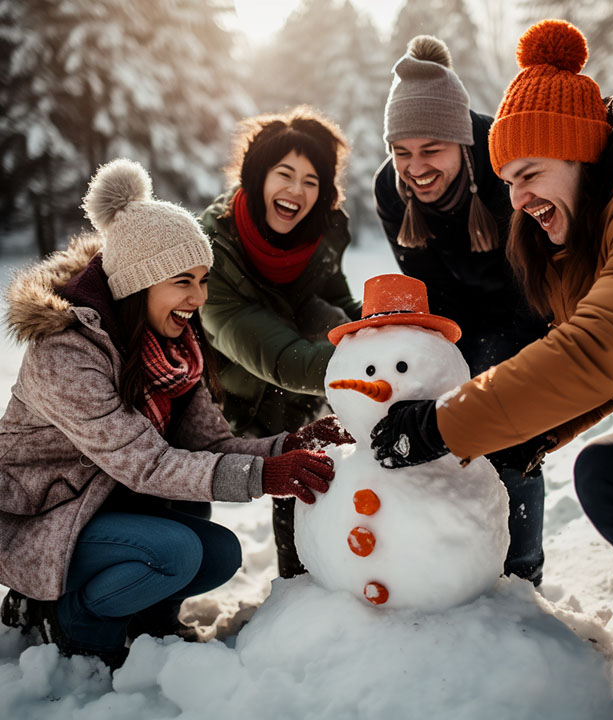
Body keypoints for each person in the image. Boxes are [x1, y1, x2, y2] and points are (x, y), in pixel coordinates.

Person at [370, 19, 613, 697]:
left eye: (530, 173)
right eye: (508, 180)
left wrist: (440, 426)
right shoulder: (589, 223)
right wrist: (544, 430)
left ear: (580, 156)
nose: (519, 198)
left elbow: (596, 350)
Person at [0, 158, 336, 669]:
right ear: (139, 283)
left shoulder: (171, 348)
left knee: (220, 553)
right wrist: (265, 476)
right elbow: (148, 465)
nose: (198, 298)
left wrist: (285, 447)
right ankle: (69, 621)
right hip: (46, 522)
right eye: (184, 281)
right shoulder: (65, 355)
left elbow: (209, 446)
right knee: (176, 552)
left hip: (107, 504)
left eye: (203, 280)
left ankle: (144, 622)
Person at [373, 35, 549, 585]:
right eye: (402, 151)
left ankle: (522, 571)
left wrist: (487, 376)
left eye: (431, 150)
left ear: (462, 142)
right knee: (428, 409)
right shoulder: (390, 188)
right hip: (459, 322)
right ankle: (447, 562)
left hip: (531, 314)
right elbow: (426, 287)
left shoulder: (507, 174)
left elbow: (536, 285)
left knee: (504, 425)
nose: (415, 167)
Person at [199, 107, 361, 579]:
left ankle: (303, 581)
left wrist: (378, 330)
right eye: (284, 174)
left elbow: (336, 298)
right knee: (180, 507)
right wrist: (373, 371)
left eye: (311, 180)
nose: (296, 190)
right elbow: (278, 356)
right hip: (221, 398)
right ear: (257, 177)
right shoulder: (213, 252)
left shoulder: (321, 233)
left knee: (310, 462)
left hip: (291, 394)